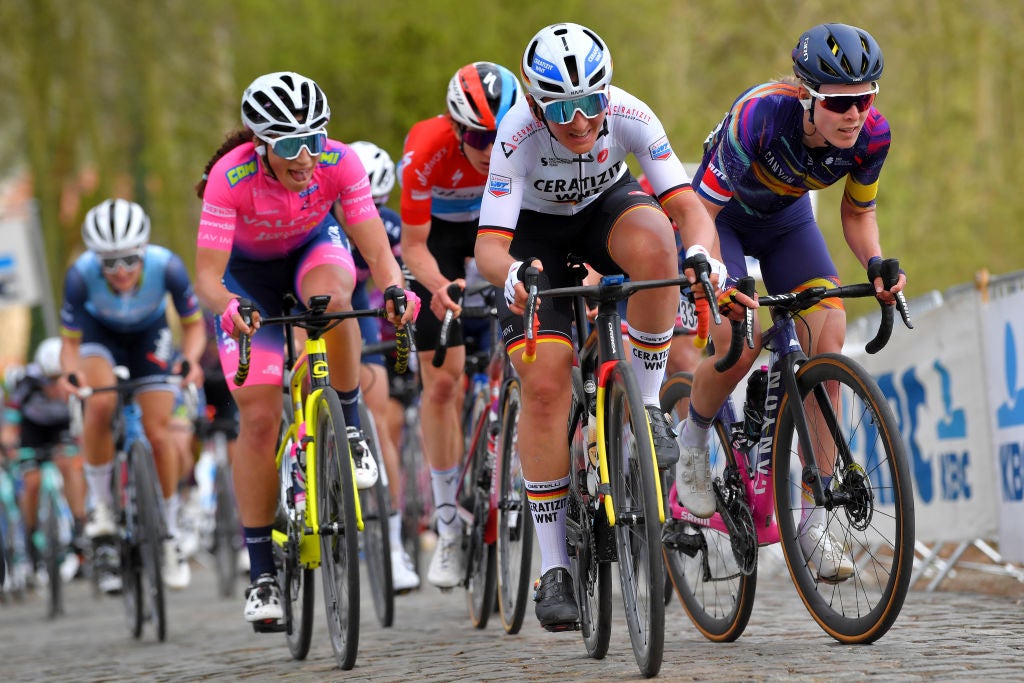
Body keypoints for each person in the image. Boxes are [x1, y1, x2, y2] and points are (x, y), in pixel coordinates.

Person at [474, 22, 722, 630]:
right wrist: (510, 277)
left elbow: (688, 207)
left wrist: (701, 253)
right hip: (534, 237)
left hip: (605, 212)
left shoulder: (631, 112)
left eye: (591, 105)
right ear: (536, 103)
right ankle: (554, 566)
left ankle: (645, 409)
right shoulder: (517, 136)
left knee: (661, 246)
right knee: (544, 382)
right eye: (564, 109)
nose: (582, 123)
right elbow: (489, 245)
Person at [680, 23, 905, 580]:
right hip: (723, 218)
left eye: (866, 98)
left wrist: (875, 264)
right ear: (808, 96)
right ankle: (692, 444)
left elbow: (857, 214)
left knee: (828, 335)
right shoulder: (760, 117)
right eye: (841, 102)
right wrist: (723, 282)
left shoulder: (873, 136)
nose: (855, 114)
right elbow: (702, 214)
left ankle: (814, 521)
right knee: (734, 341)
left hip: (785, 223)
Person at [193, 71, 417, 625]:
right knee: (261, 416)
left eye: (314, 140)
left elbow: (378, 251)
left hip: (313, 253)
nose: (305, 157)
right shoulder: (231, 175)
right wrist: (228, 308)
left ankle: (349, 427)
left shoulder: (340, 163)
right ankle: (263, 572)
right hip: (247, 282)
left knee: (335, 299)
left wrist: (394, 289)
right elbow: (207, 276)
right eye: (290, 146)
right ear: (262, 145)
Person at [398, 61, 521, 589]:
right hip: (441, 244)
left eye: (500, 135)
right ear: (454, 128)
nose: (491, 149)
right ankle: (447, 523)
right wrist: (437, 287)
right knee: (442, 382)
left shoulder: (527, 142)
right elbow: (414, 248)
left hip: (505, 231)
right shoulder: (425, 150)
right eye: (477, 137)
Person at [57, 198, 206, 592]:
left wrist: (189, 361)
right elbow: (69, 345)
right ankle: (103, 506)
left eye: (128, 260)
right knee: (101, 401)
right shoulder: (79, 275)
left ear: (142, 252)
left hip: (149, 335)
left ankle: (171, 533)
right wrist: (70, 373)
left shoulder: (168, 266)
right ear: (95, 260)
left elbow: (193, 327)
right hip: (99, 337)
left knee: (159, 434)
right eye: (108, 263)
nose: (120, 272)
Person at [342, 139, 420, 592]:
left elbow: (403, 282)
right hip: (311, 292)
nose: (364, 212)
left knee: (378, 414)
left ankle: (391, 545)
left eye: (374, 204)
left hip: (360, 310)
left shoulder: (388, 228)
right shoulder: (316, 222)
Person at [7, 337, 86, 584]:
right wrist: (9, 445)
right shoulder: (25, 384)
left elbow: (87, 423)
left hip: (63, 427)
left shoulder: (76, 381)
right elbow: (10, 422)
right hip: (34, 431)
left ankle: (79, 524)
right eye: (48, 380)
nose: (53, 387)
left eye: (57, 379)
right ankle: (30, 534)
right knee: (31, 482)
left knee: (69, 466)